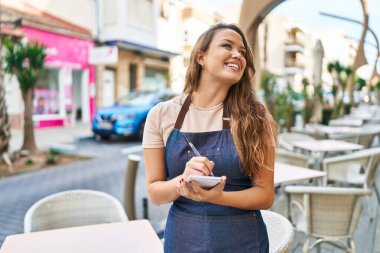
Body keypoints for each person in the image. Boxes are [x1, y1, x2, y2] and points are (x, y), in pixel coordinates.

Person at [143, 23, 278, 252]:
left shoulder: (256, 117)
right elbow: (155, 193)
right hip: (183, 239)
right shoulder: (161, 115)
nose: (238, 54)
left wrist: (217, 197)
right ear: (200, 57)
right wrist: (184, 181)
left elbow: (265, 196)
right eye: (227, 45)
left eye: (243, 52)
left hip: (243, 241)